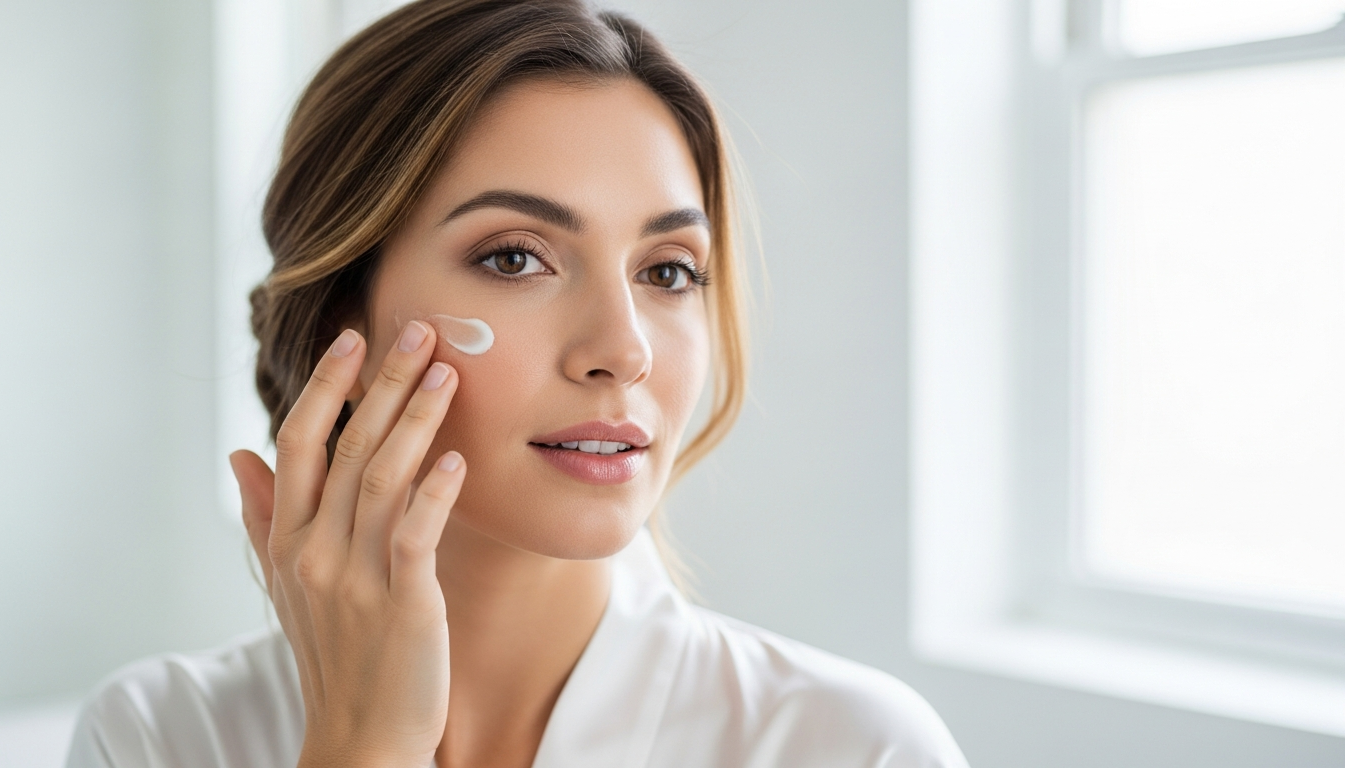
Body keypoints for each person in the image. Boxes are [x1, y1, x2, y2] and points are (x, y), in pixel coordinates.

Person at [65, 1, 969, 766]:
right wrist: (362, 747)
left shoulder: (854, 748)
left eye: (667, 270)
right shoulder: (158, 736)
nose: (624, 350)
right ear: (346, 318)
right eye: (514, 258)